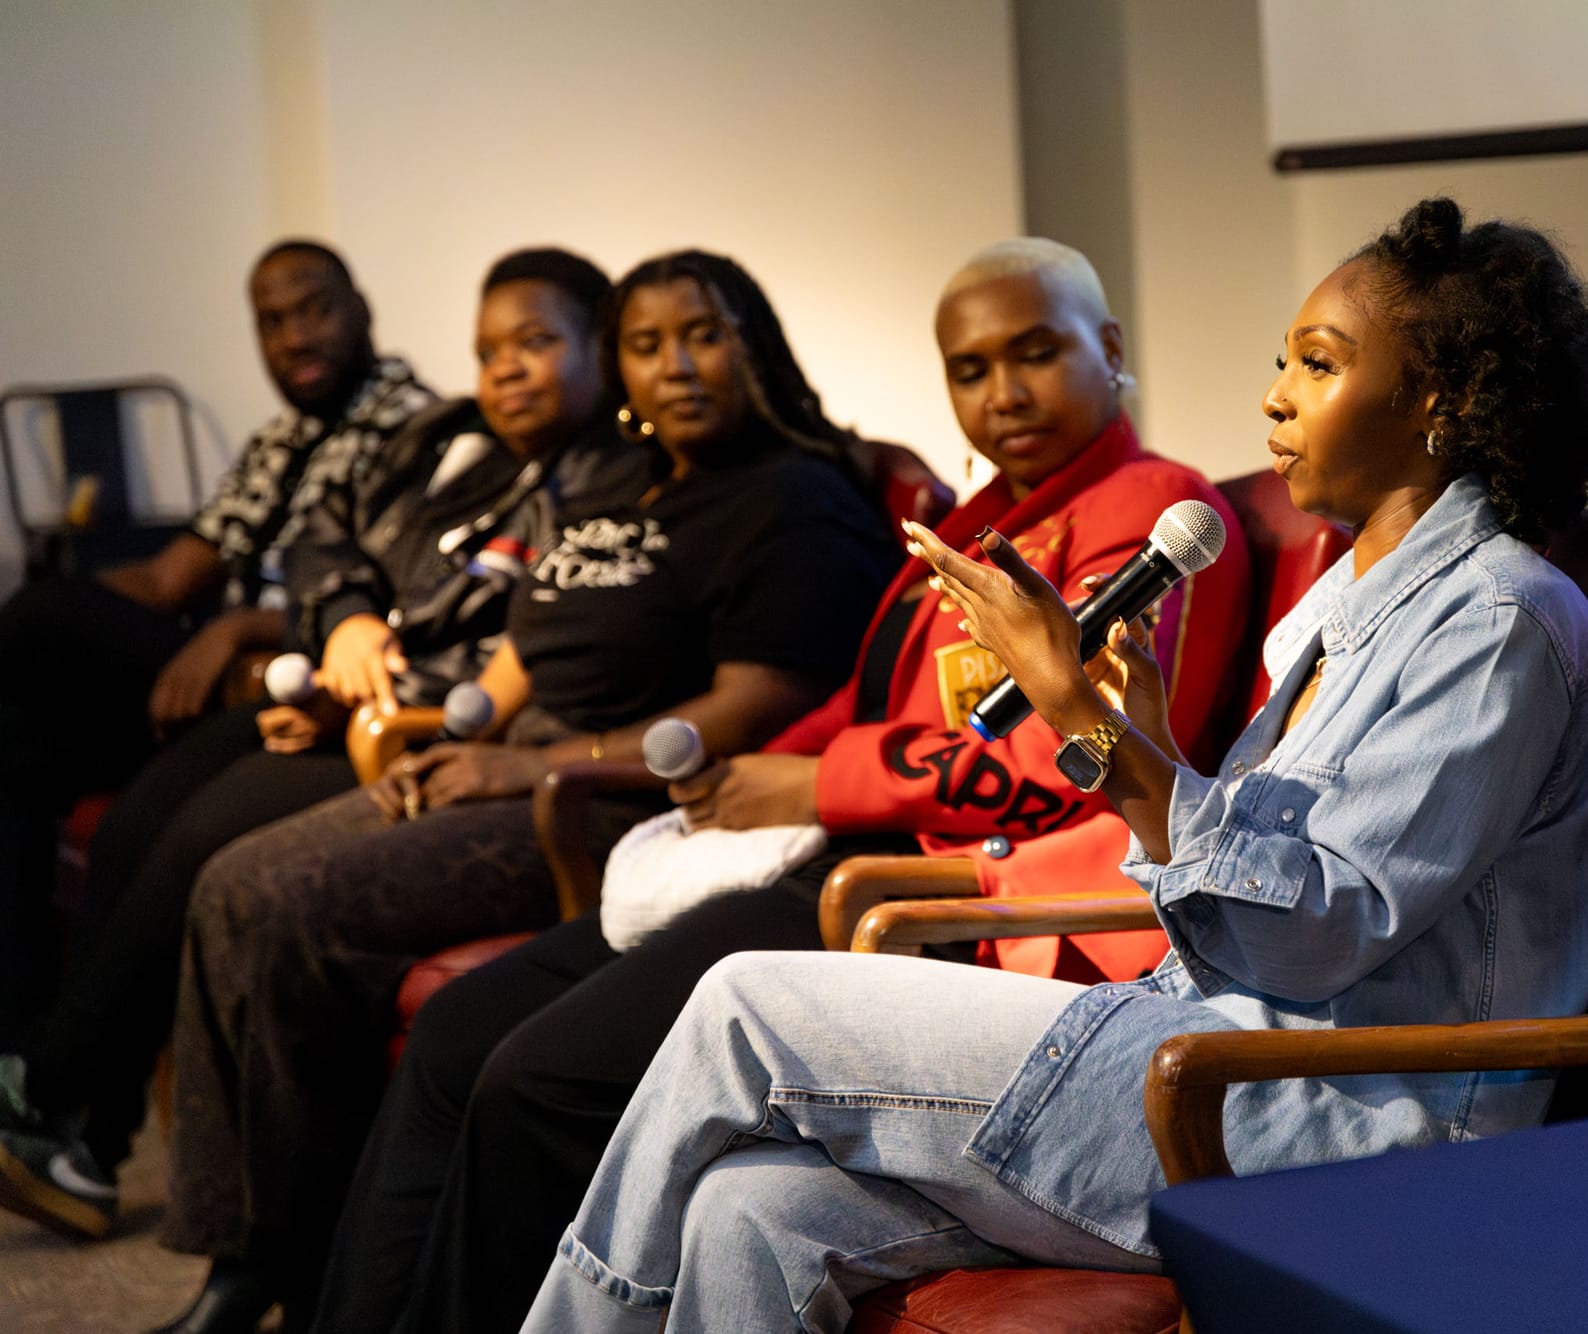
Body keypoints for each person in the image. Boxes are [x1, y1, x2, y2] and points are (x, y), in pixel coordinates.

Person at [521, 197, 1588, 1333]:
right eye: (1280, 359)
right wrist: (1140, 739)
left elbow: (1319, 930)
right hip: (1199, 1040)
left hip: (1324, 1115)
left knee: (740, 1005)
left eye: (1316, 362)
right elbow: (1246, 901)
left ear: (1439, 400)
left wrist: (1077, 715)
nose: (1273, 394)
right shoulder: (1345, 607)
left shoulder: (1496, 621)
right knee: (748, 1206)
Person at [307, 237, 1251, 1334]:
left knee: (538, 1078)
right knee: (456, 1034)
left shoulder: (1148, 512)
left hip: (944, 895)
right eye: (969, 368)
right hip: (840, 856)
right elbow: (869, 704)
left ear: (1110, 349)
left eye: (1034, 353)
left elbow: (1065, 763)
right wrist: (738, 775)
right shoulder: (974, 521)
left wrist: (811, 783)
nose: (1002, 393)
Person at [150, 249, 902, 1334]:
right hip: (530, 760)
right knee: (234, 877)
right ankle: (288, 1277)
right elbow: (529, 646)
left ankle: (269, 1261)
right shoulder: (637, 492)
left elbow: (740, 713)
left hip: (606, 798)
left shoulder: (792, 500)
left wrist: (531, 764)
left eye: (702, 334)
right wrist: (452, 724)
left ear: (755, 340)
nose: (675, 366)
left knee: (280, 901)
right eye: (646, 345)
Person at [0, 246, 634, 1243]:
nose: (504, 369)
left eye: (536, 342)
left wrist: (337, 672)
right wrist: (338, 621)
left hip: (406, 724)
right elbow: (333, 548)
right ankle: (73, 1120)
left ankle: (45, 1087)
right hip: (343, 683)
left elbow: (528, 651)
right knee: (134, 812)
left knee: (204, 842)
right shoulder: (460, 438)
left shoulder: (609, 479)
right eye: (487, 349)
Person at [0, 242, 433, 1045]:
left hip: (290, 675)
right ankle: (19, 1042)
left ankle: (57, 1067)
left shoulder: (412, 430)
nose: (296, 337)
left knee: (35, 624)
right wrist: (80, 606)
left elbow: (394, 599)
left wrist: (234, 626)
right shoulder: (282, 438)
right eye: (272, 322)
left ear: (362, 310)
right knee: (16, 734)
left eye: (315, 310)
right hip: (214, 672)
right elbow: (169, 580)